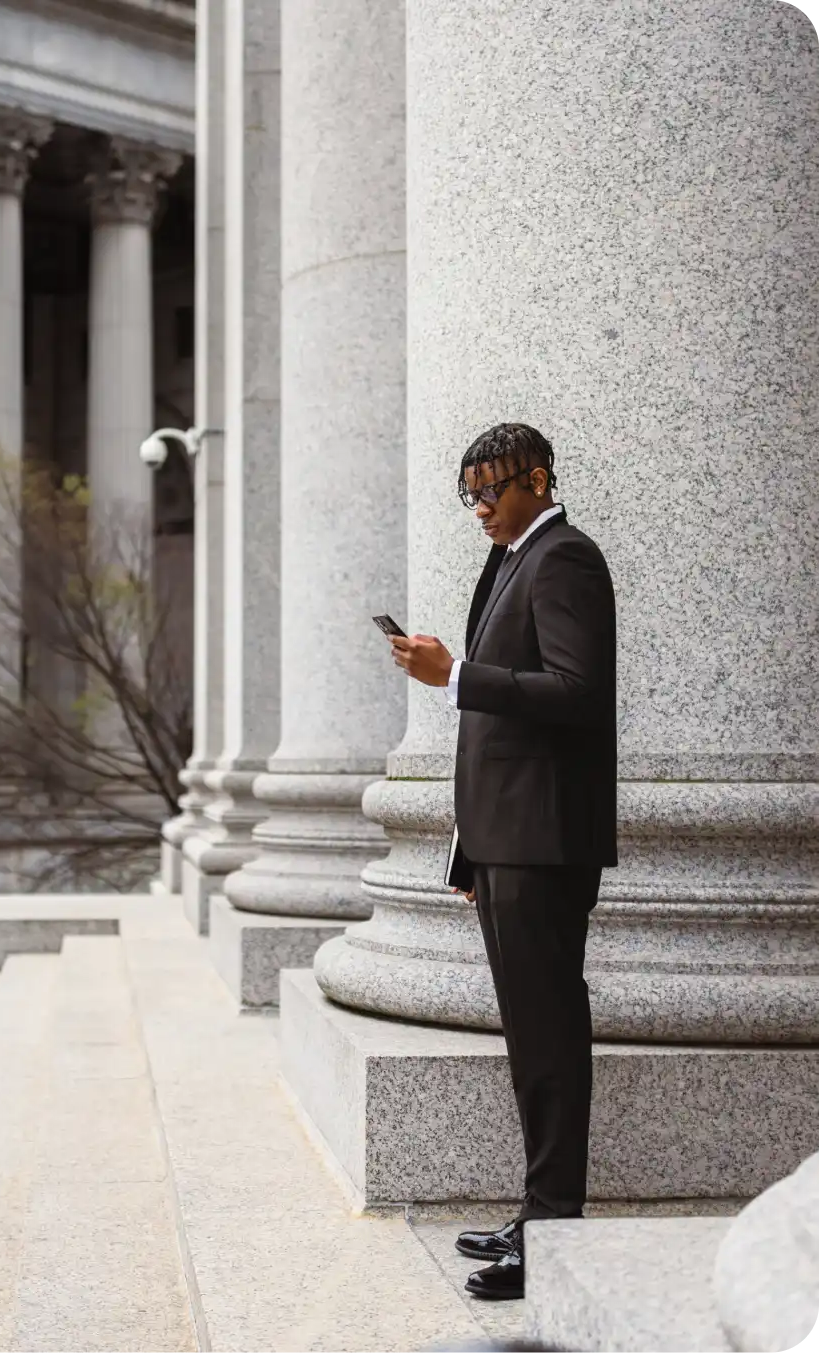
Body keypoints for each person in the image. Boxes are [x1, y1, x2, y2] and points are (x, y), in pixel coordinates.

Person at [390, 422, 617, 1302]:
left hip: (545, 843)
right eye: (470, 495)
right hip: (506, 842)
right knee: (532, 1037)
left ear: (540, 478)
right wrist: (468, 849)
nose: (481, 507)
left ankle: (554, 1229)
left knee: (551, 1036)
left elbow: (577, 693)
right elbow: (494, 730)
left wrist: (455, 676)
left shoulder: (565, 558)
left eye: (494, 490)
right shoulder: (516, 558)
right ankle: (539, 1212)